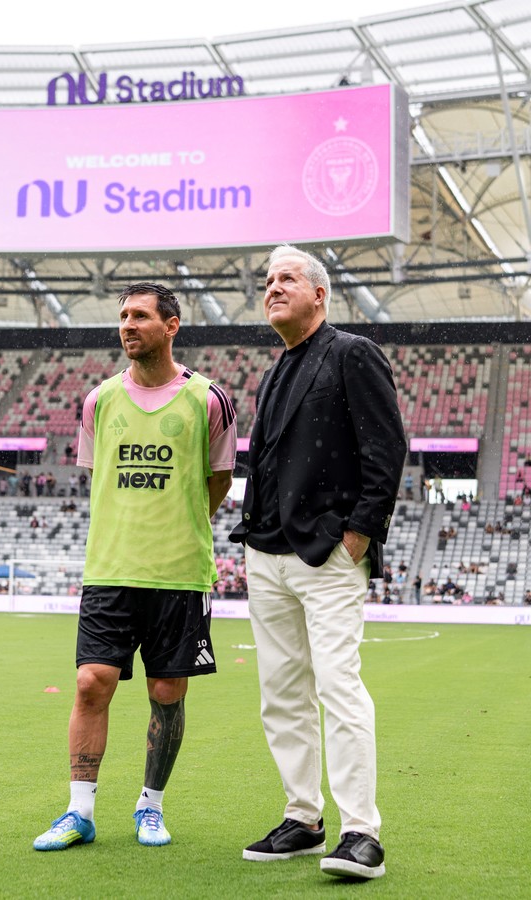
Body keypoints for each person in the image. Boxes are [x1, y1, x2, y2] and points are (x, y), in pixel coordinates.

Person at [33, 281, 237, 852]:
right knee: (91, 683)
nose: (128, 325)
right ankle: (79, 812)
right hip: (110, 569)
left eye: (141, 315)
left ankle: (151, 807)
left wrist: (180, 521)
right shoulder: (99, 400)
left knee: (167, 692)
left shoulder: (209, 400)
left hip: (179, 573)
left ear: (171, 325)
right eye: (123, 315)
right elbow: (100, 479)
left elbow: (218, 480)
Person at [229, 245, 406, 881]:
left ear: (320, 295)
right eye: (268, 280)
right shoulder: (277, 368)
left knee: (337, 685)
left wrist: (359, 534)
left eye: (287, 279)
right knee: (281, 692)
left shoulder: (351, 352)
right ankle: (303, 818)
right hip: (267, 552)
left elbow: (388, 448)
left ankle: (362, 832)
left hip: (327, 551)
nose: (272, 287)